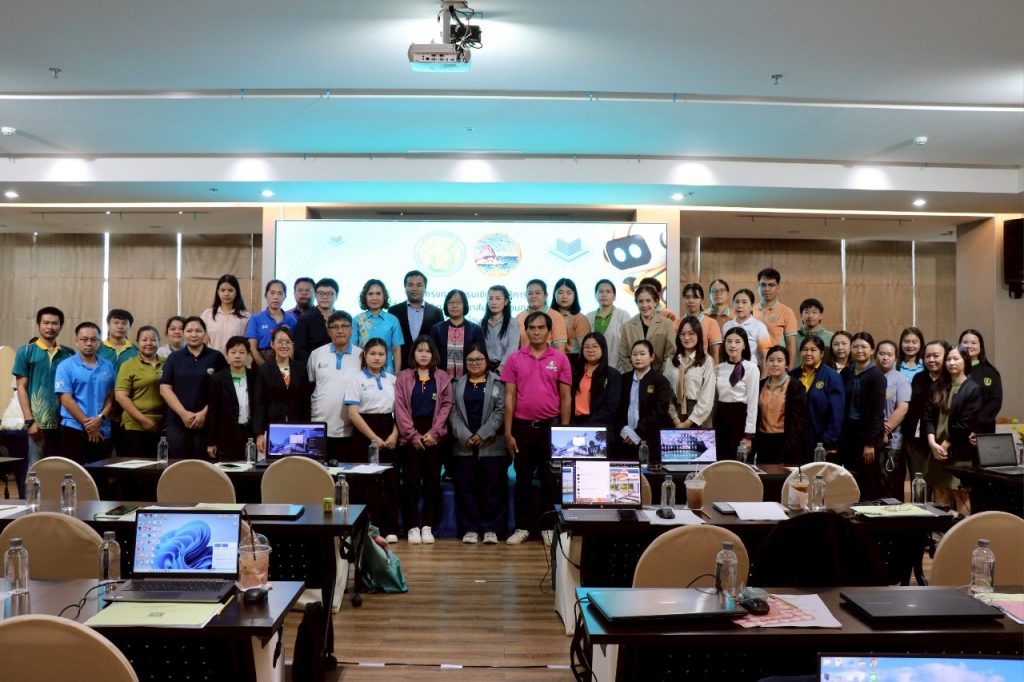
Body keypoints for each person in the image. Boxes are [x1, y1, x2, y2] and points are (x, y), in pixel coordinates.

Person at [501, 311, 572, 546]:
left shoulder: (560, 359)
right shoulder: (514, 358)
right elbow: (509, 397)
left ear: (549, 332)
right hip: (522, 428)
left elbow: (566, 397)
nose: (536, 332)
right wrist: (508, 432)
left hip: (550, 429)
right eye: (532, 327)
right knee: (522, 480)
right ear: (526, 330)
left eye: (541, 328)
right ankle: (522, 527)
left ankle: (548, 527)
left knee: (550, 480)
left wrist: (563, 432)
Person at [394, 336, 453, 545]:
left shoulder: (442, 377)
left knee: (432, 483)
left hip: (434, 437)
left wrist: (434, 433)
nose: (424, 354)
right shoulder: (403, 376)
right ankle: (412, 526)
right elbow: (400, 407)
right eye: (420, 350)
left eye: (428, 350)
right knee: (410, 483)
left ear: (433, 354)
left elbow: (446, 405)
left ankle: (427, 526)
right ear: (413, 353)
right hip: (410, 437)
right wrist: (413, 435)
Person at [449, 344, 507, 545]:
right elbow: (452, 412)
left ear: (486, 361)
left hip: (492, 445)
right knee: (466, 488)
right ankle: (470, 529)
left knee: (493, 488)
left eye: (479, 359)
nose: (474, 363)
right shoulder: (456, 384)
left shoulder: (498, 383)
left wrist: (482, 434)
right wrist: (466, 435)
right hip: (463, 445)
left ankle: (492, 529)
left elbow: (500, 412)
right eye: (470, 360)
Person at [344, 338, 400, 540]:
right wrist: (374, 438)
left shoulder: (393, 380)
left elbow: (400, 412)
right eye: (373, 353)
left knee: (390, 481)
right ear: (365, 355)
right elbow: (353, 414)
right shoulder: (356, 380)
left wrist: (395, 434)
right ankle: (368, 529)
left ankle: (390, 529)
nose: (377, 358)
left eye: (381, 354)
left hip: (390, 431)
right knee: (366, 483)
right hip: (364, 433)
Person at [923, 344, 982, 514]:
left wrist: (944, 446)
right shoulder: (937, 386)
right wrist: (932, 443)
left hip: (958, 449)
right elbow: (927, 417)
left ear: (965, 361)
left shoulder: (972, 388)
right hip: (936, 447)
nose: (951, 363)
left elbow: (965, 423)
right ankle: (942, 530)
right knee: (940, 490)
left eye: (956, 358)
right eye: (948, 359)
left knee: (960, 493)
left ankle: (963, 530)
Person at [159, 316, 228, 459]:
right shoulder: (174, 358)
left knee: (205, 466)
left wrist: (204, 413)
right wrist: (183, 413)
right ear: (184, 333)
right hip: (177, 422)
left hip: (208, 423)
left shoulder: (216, 357)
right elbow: (164, 388)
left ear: (205, 333)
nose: (194, 334)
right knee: (177, 465)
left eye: (198, 330)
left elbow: (224, 390)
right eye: (189, 331)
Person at [13, 306, 73, 463]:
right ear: (38, 324)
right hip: (37, 425)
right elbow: (21, 387)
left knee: (61, 468)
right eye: (46, 323)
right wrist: (29, 421)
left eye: (55, 323)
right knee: (35, 468)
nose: (50, 327)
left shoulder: (69, 353)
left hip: (65, 423)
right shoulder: (26, 351)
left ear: (61, 326)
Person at [54, 322, 116, 463]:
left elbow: (110, 397)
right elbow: (66, 400)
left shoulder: (108, 365)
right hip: (74, 428)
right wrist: (89, 425)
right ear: (77, 341)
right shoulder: (65, 366)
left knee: (100, 471)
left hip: (102, 428)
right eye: (84, 339)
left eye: (93, 339)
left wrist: (99, 418)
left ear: (99, 341)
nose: (89, 343)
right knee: (75, 472)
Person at [307, 311, 363, 462]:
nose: (340, 330)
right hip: (319, 427)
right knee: (319, 472)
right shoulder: (316, 354)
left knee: (346, 472)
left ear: (351, 330)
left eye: (344, 326)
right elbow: (311, 385)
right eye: (335, 327)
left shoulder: (361, 356)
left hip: (350, 430)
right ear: (328, 331)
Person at [838, 332, 887, 499]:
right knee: (848, 477)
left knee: (868, 479)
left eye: (864, 347)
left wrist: (870, 443)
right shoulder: (846, 373)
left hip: (867, 435)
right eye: (855, 346)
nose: (859, 350)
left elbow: (877, 413)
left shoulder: (877, 376)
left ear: (872, 350)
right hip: (848, 433)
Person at [253, 326, 312, 453]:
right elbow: (259, 404)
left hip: (297, 427)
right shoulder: (263, 370)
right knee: (272, 462)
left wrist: (307, 429)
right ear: (272, 344)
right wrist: (259, 433)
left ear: (292, 345)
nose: (284, 345)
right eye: (280, 342)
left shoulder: (300, 368)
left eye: (288, 342)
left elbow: (305, 402)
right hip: (272, 426)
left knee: (296, 460)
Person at [615, 339, 675, 462]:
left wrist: (637, 433)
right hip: (625, 439)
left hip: (650, 439)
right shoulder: (623, 379)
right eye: (634, 354)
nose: (638, 358)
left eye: (642, 354)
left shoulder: (660, 381)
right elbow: (616, 408)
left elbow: (659, 412)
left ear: (652, 357)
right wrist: (623, 429)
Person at [901, 340, 948, 489]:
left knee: (941, 486)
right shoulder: (919, 378)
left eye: (936, 356)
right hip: (918, 439)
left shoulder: (950, 380)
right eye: (928, 356)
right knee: (919, 483)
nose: (931, 360)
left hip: (942, 440)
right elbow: (913, 409)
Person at [114, 325, 166, 457]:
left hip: (162, 426)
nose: (149, 343)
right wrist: (143, 420)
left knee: (161, 465)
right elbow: (120, 397)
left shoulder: (167, 363)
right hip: (135, 425)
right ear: (137, 342)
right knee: (138, 466)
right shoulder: (129, 365)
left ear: (159, 341)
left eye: (153, 340)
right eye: (144, 340)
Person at [791, 336, 844, 461]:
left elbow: (836, 413)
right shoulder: (792, 375)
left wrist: (828, 441)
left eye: (813, 350)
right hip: (795, 442)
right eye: (805, 349)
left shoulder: (832, 377)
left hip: (821, 443)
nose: (808, 353)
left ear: (822, 353)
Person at [754, 346, 808, 464]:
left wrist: (791, 448)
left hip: (785, 442)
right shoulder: (760, 385)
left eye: (780, 360)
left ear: (787, 364)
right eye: (771, 360)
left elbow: (798, 423)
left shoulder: (795, 387)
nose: (775, 364)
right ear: (766, 363)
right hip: (763, 441)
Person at [206, 336, 256, 461]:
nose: (237, 356)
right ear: (227, 355)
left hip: (249, 434)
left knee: (250, 468)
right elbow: (212, 412)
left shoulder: (255, 377)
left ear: (248, 355)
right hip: (225, 435)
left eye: (242, 352)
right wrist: (211, 442)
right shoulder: (217, 379)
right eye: (233, 352)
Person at [714, 328, 760, 461]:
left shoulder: (752, 369)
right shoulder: (718, 368)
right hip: (721, 418)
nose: (732, 345)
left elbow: (753, 404)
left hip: (740, 419)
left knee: (739, 463)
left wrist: (748, 435)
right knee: (721, 462)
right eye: (729, 341)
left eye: (737, 342)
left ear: (744, 345)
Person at [663, 316, 715, 429]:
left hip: (699, 416)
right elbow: (665, 392)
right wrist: (676, 419)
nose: (686, 338)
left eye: (691, 333)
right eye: (683, 334)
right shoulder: (671, 361)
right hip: (674, 415)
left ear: (698, 335)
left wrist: (688, 423)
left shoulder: (707, 361)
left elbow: (707, 397)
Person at [875, 339, 911, 499]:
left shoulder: (900, 379)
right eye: (881, 353)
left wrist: (884, 431)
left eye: (889, 354)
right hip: (871, 440)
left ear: (895, 357)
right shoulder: (871, 376)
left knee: (891, 485)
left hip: (892, 442)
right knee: (875, 486)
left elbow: (902, 409)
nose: (885, 358)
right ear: (875, 355)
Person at [617, 284, 676, 373]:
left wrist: (660, 376)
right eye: (640, 301)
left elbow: (671, 352)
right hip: (634, 376)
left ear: (655, 302)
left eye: (648, 301)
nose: (644, 305)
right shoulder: (627, 326)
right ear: (636, 303)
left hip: (660, 375)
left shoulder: (667, 324)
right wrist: (634, 375)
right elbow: (624, 354)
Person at [429, 289, 484, 380]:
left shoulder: (475, 329)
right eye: (451, 303)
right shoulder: (437, 329)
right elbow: (432, 355)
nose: (454, 306)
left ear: (464, 305)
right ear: (446, 305)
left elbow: (480, 357)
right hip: (441, 379)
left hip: (469, 379)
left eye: (458, 302)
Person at [570, 332, 622, 429]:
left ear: (603, 348)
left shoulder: (613, 375)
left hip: (599, 425)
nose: (590, 350)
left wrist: (589, 423)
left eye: (595, 346)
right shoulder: (574, 372)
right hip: (574, 423)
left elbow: (611, 406)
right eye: (586, 347)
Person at [354, 279, 403, 373]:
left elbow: (396, 350)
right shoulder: (357, 320)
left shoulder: (393, 320)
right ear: (365, 297)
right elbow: (354, 348)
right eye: (370, 294)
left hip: (387, 372)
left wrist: (397, 374)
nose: (374, 298)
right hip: (362, 372)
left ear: (384, 296)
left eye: (378, 293)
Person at [959, 328, 1002, 435]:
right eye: (965, 342)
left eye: (973, 343)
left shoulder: (990, 372)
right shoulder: (952, 370)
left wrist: (976, 426)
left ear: (980, 346)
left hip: (982, 429)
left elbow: (995, 401)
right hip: (956, 429)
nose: (969, 346)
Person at [388, 269, 444, 350]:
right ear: (405, 287)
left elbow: (439, 343)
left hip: (427, 357)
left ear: (425, 288)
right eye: (410, 285)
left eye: (419, 285)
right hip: (401, 358)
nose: (415, 288)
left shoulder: (436, 312)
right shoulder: (394, 311)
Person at [246, 279, 298, 364]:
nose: (276, 297)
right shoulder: (256, 319)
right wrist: (265, 368)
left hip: (285, 362)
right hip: (261, 362)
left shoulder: (291, 321)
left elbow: (293, 347)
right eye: (272, 293)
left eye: (280, 293)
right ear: (266, 295)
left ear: (285, 297)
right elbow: (252, 348)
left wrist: (288, 366)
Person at [200, 274, 251, 359]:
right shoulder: (207, 314)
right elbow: (202, 342)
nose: (226, 294)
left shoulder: (245, 316)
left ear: (236, 292)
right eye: (223, 290)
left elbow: (248, 343)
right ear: (218, 292)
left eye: (230, 290)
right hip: (212, 362)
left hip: (236, 362)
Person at [754, 267, 799, 360]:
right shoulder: (750, 310)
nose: (766, 289)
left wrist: (790, 367)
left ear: (778, 287)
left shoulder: (787, 312)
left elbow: (791, 345)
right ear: (758, 286)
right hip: (753, 363)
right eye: (763, 285)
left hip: (776, 363)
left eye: (771, 285)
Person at [722, 288, 772, 371]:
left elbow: (765, 357)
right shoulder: (726, 326)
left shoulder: (760, 326)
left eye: (744, 302)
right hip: (728, 370)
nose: (740, 306)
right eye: (737, 302)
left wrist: (763, 378)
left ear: (752, 306)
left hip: (751, 371)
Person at [584, 279, 630, 365]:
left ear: (614, 296)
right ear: (595, 295)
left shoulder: (623, 315)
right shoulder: (588, 317)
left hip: (617, 366)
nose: (604, 295)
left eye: (608, 291)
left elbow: (629, 342)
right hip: (593, 365)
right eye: (600, 291)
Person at [294, 277, 338, 364]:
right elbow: (300, 349)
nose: (324, 297)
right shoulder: (305, 319)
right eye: (321, 293)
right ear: (315, 295)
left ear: (337, 295)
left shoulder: (342, 319)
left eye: (329, 294)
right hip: (312, 366)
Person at [515, 279, 568, 352]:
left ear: (545, 295)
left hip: (549, 359)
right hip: (523, 358)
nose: (533, 296)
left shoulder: (556, 316)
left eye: (537, 293)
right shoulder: (519, 317)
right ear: (525, 295)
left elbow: (560, 349)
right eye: (530, 293)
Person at [549, 278, 591, 362]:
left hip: (573, 360)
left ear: (574, 295)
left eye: (569, 293)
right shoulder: (547, 316)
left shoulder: (580, 318)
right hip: (548, 359)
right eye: (560, 292)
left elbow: (583, 348)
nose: (564, 296)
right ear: (554, 294)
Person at [480, 284, 519, 372]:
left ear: (506, 301)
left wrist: (502, 367)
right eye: (490, 298)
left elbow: (512, 348)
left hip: (505, 368)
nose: (493, 302)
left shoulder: (512, 323)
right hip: (484, 368)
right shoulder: (481, 323)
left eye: (498, 298)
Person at [680, 282, 722, 363]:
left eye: (695, 297)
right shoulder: (676, 323)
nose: (691, 301)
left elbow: (715, 354)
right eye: (687, 297)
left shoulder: (711, 323)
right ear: (683, 299)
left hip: (703, 366)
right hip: (681, 366)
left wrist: (713, 370)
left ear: (702, 299)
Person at [795, 298, 833, 367]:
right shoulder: (793, 336)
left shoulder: (830, 337)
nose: (810, 316)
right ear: (801, 316)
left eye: (814, 312)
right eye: (806, 312)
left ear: (820, 316)